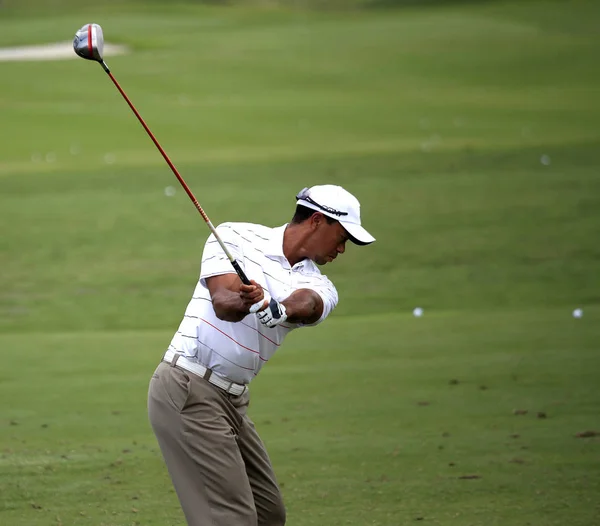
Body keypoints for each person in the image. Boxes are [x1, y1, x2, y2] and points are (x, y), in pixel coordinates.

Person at [147, 184, 375, 526]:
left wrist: (279, 308)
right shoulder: (233, 236)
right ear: (316, 221)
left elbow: (310, 305)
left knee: (269, 513)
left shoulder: (322, 285)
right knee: (232, 518)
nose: (342, 249)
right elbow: (224, 304)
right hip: (188, 387)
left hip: (233, 401)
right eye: (341, 237)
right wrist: (250, 299)